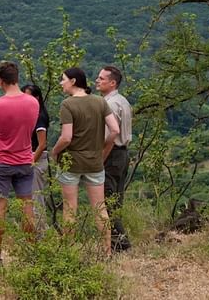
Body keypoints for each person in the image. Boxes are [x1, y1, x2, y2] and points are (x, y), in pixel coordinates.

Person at [51, 67, 119, 256]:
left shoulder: (67, 105)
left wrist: (54, 153)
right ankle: (107, 252)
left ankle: (69, 252)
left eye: (63, 79)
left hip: (71, 162)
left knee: (70, 209)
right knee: (100, 208)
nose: (61, 83)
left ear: (73, 81)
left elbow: (66, 137)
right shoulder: (99, 102)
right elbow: (114, 130)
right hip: (94, 162)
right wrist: (102, 150)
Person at [0, 62, 39, 263]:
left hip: (0, 161)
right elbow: (32, 127)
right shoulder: (33, 102)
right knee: (27, 207)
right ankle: (32, 253)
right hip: (25, 160)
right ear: (16, 78)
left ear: (1, 81)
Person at [96, 65, 133, 252]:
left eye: (101, 78)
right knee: (116, 199)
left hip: (112, 153)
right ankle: (117, 243)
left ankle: (120, 244)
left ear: (112, 83)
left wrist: (101, 158)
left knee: (108, 200)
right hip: (123, 153)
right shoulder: (123, 101)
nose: (97, 80)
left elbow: (111, 134)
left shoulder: (109, 104)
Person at [21, 83, 50, 232]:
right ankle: (32, 235)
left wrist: (31, 162)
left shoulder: (39, 116)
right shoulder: (33, 113)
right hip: (32, 159)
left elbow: (42, 143)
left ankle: (40, 236)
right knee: (30, 200)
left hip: (37, 160)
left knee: (35, 201)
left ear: (36, 98)